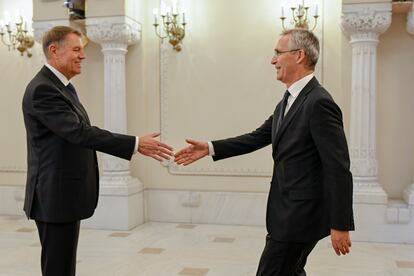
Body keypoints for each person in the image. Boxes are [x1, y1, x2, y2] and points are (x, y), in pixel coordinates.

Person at [174, 29, 354, 276]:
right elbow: (257, 137)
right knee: (292, 271)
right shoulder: (287, 101)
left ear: (299, 55)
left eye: (278, 53)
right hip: (285, 213)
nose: (273, 60)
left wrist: (340, 224)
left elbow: (338, 166)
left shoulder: (319, 102)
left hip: (299, 217)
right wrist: (210, 148)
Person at [22, 26, 173, 276]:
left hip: (62, 196)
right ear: (54, 51)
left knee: (63, 265)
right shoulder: (43, 89)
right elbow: (80, 133)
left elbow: (80, 131)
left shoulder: (62, 87)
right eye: (77, 49)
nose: (83, 55)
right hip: (54, 196)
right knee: (58, 268)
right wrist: (135, 143)